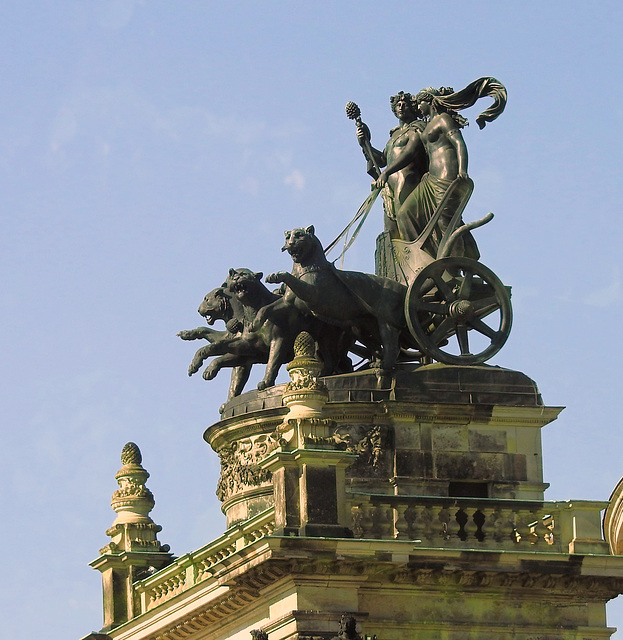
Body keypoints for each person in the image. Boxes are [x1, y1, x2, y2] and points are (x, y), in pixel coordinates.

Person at [374, 78, 507, 260]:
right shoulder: (426, 127)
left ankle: (457, 262)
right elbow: (410, 151)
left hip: (446, 177)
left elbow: (459, 143)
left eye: (419, 102)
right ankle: (423, 257)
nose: (417, 107)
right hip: (430, 180)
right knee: (406, 213)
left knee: (445, 221)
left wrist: (463, 170)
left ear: (430, 102)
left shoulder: (443, 120)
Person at [356, 91, 427, 238]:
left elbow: (411, 151)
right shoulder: (394, 135)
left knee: (404, 216)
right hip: (389, 185)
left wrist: (386, 172)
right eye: (398, 105)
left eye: (404, 104)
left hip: (409, 178)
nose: (400, 107)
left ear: (412, 108)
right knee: (391, 230)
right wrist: (365, 144)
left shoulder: (417, 127)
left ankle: (416, 252)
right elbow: (382, 160)